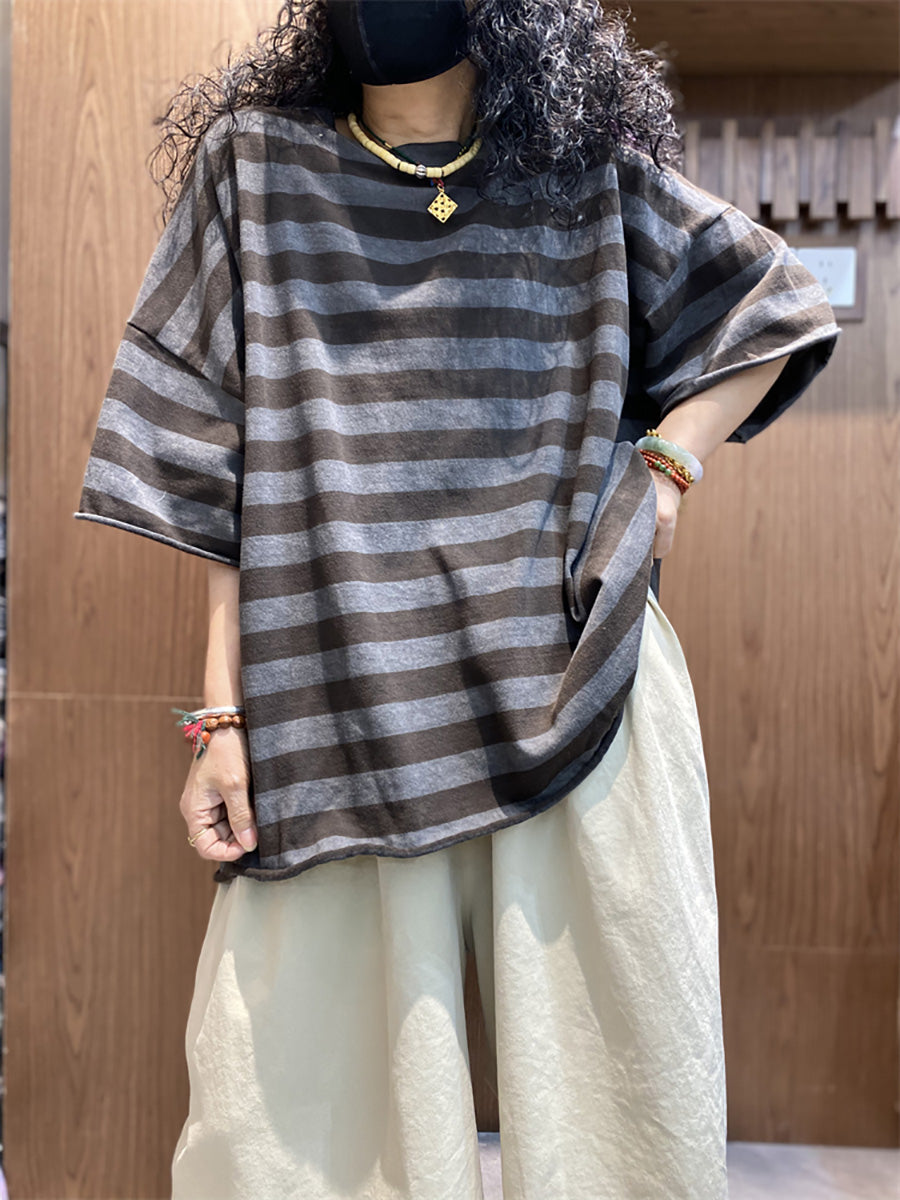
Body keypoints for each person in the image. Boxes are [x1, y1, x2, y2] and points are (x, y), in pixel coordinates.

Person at [73, 1, 840, 1196]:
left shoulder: (581, 169)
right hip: (339, 695)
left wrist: (668, 466)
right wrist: (221, 719)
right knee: (290, 1139)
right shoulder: (257, 168)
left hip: (581, 678)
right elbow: (208, 463)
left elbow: (774, 303)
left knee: (621, 1119)